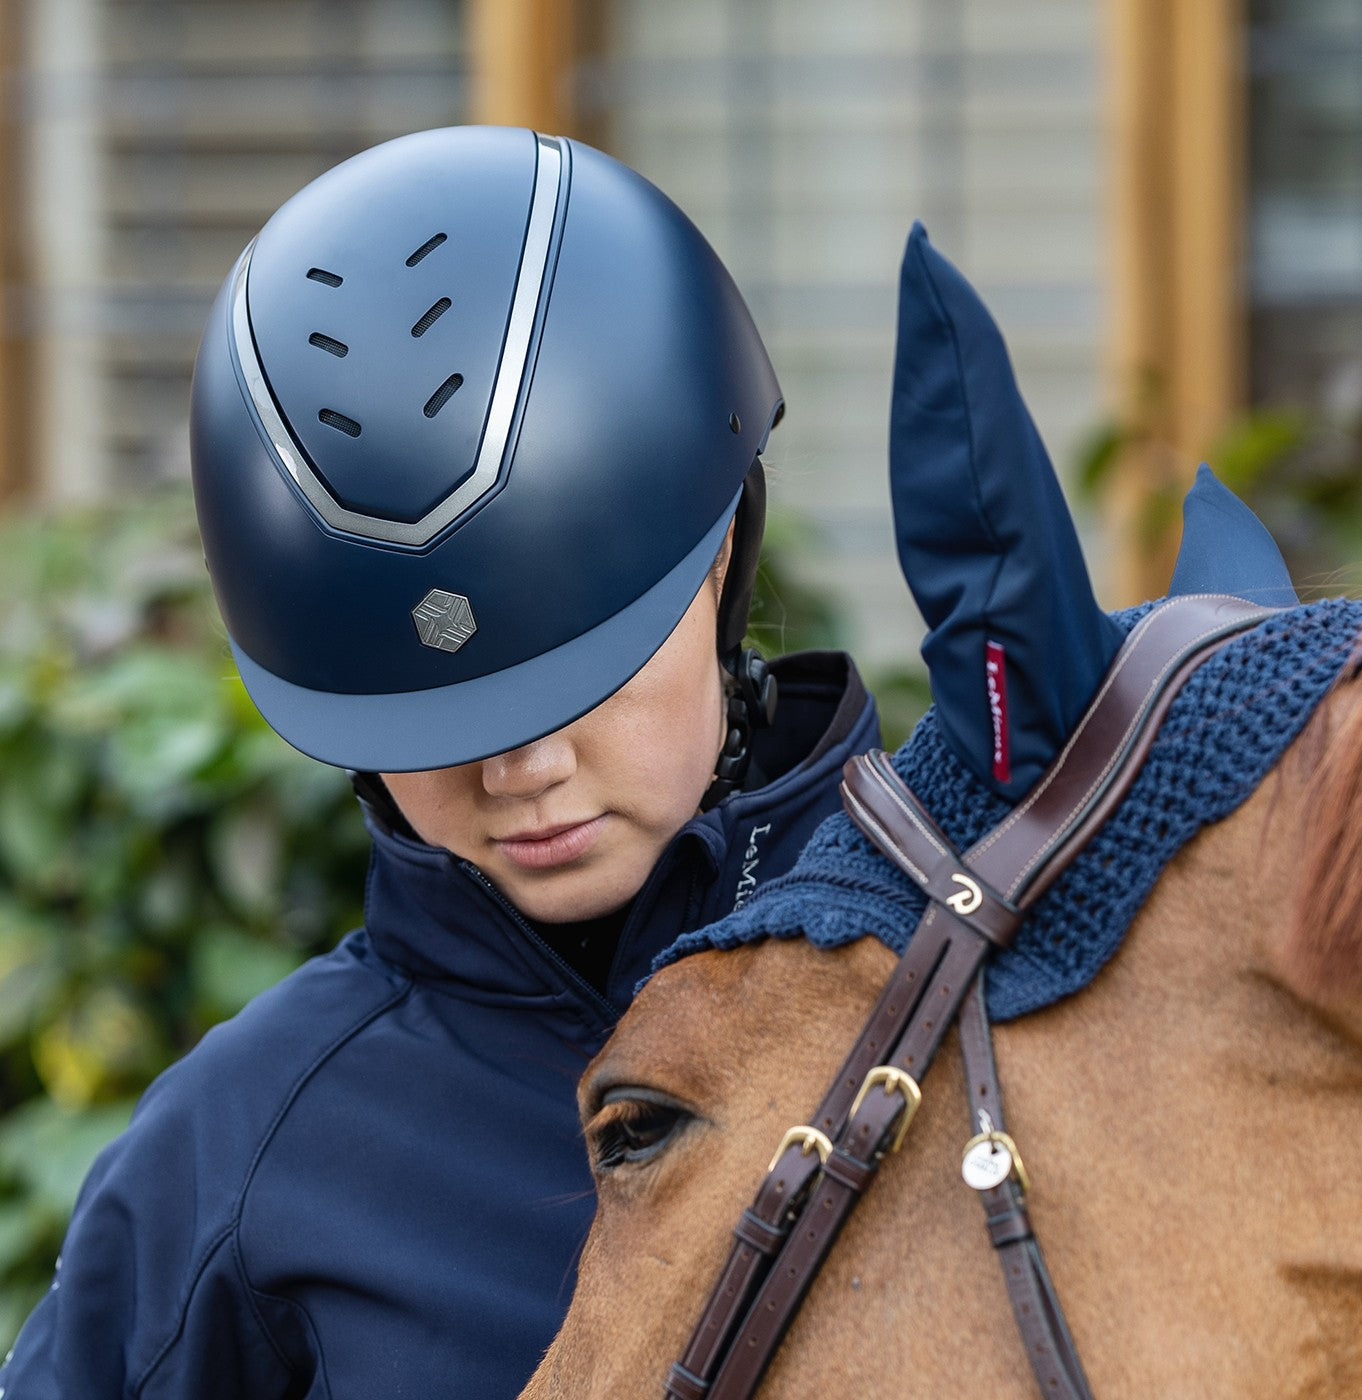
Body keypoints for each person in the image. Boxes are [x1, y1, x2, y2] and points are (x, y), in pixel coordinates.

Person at [1, 126, 879, 1398]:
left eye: (583, 671)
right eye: (428, 719)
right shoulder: (239, 1151)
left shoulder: (979, 970)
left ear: (717, 557)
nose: (520, 767)